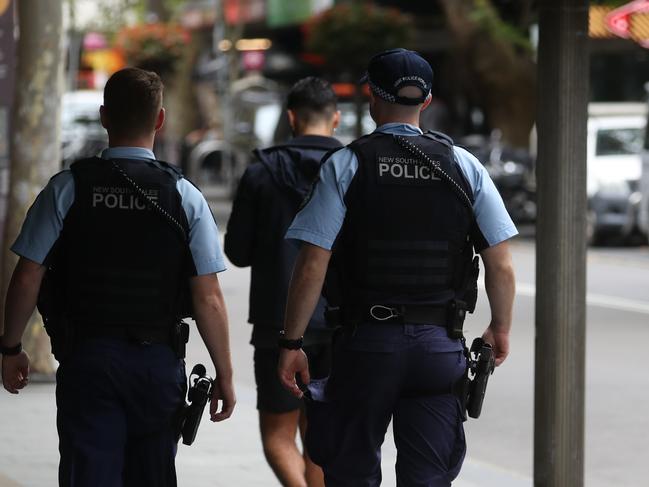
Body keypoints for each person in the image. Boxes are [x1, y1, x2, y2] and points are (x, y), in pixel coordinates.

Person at [277, 49, 517, 486]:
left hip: (367, 346)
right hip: (439, 348)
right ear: (426, 101)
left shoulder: (348, 165)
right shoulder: (465, 165)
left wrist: (292, 340)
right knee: (428, 477)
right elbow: (500, 263)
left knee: (351, 471)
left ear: (372, 95)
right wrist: (500, 327)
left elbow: (313, 263)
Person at [0, 67, 236, 487]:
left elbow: (26, 277)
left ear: (104, 116)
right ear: (160, 119)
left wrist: (11, 346)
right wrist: (225, 374)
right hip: (158, 365)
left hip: (87, 360)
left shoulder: (67, 188)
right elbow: (209, 299)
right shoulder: (185, 196)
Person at [225, 76, 341, 487]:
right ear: (337, 119)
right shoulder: (352, 168)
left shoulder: (261, 172)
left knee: (278, 437)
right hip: (341, 324)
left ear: (291, 118)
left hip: (277, 323)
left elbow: (236, 253)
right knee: (323, 439)